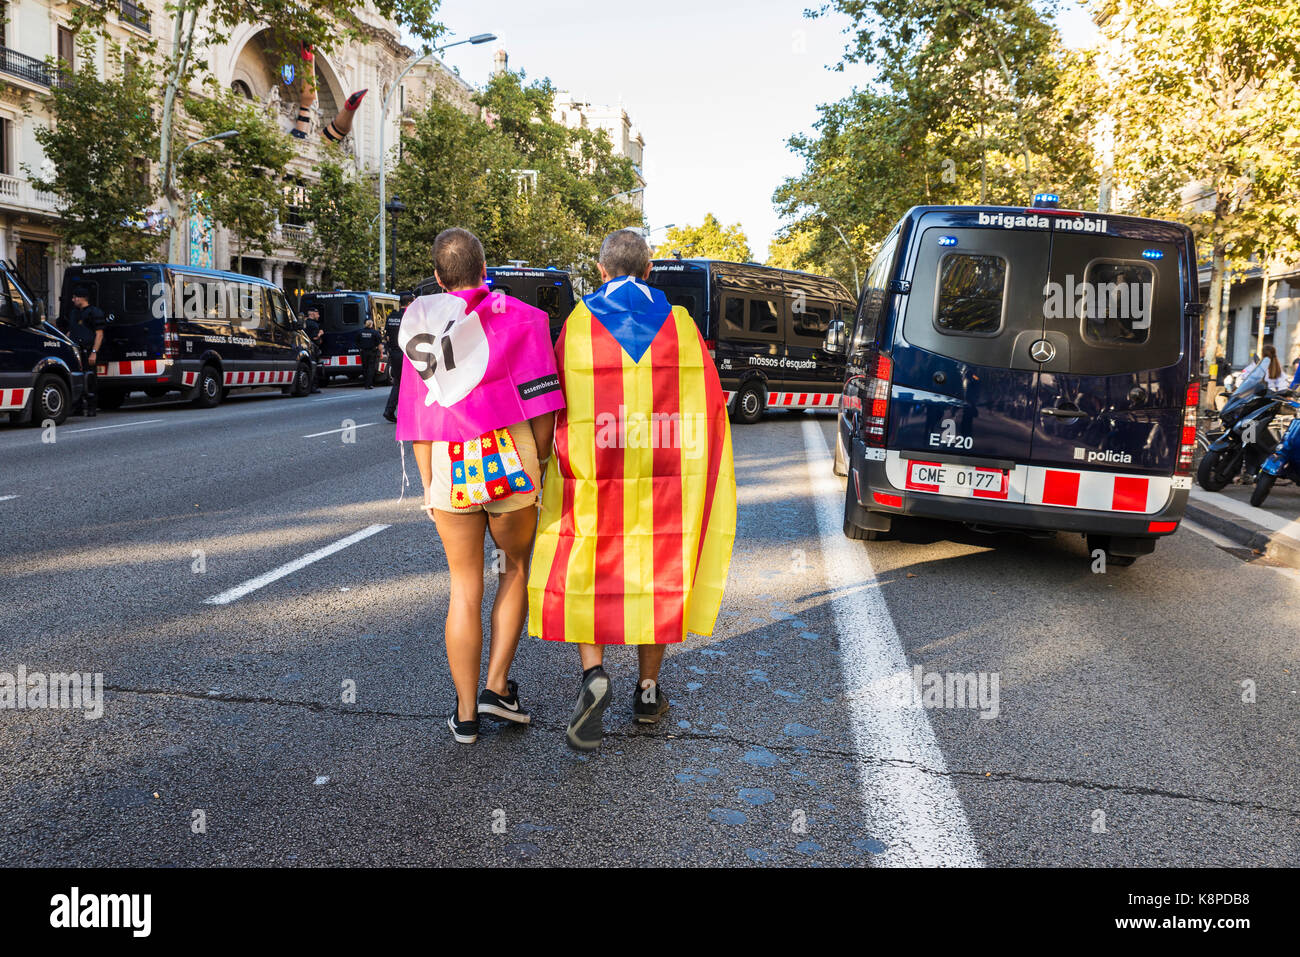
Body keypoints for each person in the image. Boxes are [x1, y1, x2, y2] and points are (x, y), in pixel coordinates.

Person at [527, 230, 737, 752]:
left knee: (587, 563)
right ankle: (647, 691)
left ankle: (594, 674)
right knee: (659, 568)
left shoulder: (577, 324)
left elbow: (554, 400)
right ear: (649, 271)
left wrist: (544, 462)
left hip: (595, 474)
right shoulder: (682, 326)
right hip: (666, 478)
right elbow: (708, 407)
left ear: (601, 271)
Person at [395, 228, 566, 745]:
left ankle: (466, 714)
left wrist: (429, 485)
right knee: (515, 568)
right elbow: (542, 403)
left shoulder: (420, 329)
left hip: (450, 461)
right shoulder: (522, 319)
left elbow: (418, 417)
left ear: (441, 277)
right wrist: (535, 464)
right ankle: (497, 686)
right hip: (511, 458)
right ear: (484, 269)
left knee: (464, 586)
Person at [65, 288, 106, 417]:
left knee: (90, 379)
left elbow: (99, 334)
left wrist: (94, 352)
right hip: (75, 351)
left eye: (75, 297)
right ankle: (77, 406)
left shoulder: (94, 313)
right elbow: (71, 331)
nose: (73, 300)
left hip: (87, 350)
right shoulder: (73, 313)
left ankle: (91, 406)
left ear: (82, 298)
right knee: (76, 377)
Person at [383, 293, 412, 423]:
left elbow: (387, 335)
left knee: (398, 383)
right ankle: (404, 412)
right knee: (408, 383)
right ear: (410, 303)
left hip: (394, 353)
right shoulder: (409, 316)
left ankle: (390, 410)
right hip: (406, 353)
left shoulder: (391, 316)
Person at [302, 305, 324, 393]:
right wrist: (320, 333)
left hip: (305, 347)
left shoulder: (305, 322)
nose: (318, 316)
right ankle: (313, 387)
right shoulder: (314, 324)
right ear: (313, 314)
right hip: (312, 348)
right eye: (317, 313)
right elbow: (314, 337)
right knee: (314, 367)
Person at [356, 318, 381, 389]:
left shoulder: (360, 332)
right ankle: (369, 384)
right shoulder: (375, 332)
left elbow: (357, 341)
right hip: (372, 352)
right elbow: (379, 342)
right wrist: (380, 352)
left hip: (363, 352)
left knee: (365, 368)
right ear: (371, 324)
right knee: (371, 368)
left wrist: (360, 347)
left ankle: (365, 383)